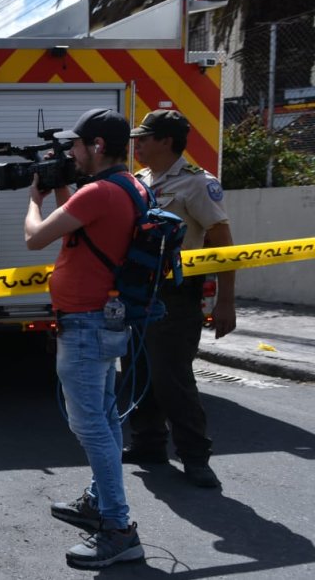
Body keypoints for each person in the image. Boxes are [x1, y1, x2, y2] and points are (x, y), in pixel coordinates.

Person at [24, 109, 146, 568]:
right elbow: (87, 226)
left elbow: (37, 237)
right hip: (105, 319)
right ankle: (99, 502)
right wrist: (61, 186)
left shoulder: (98, 193)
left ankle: (118, 528)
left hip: (86, 323)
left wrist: (35, 201)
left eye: (75, 146)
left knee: (90, 424)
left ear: (97, 146)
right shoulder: (127, 185)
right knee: (107, 416)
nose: (69, 153)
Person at [124, 110, 235, 488]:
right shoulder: (138, 181)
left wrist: (225, 301)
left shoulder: (197, 184)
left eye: (144, 138)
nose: (136, 144)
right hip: (139, 292)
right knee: (138, 372)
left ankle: (195, 457)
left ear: (166, 142)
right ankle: (148, 443)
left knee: (172, 378)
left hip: (176, 296)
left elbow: (223, 245)